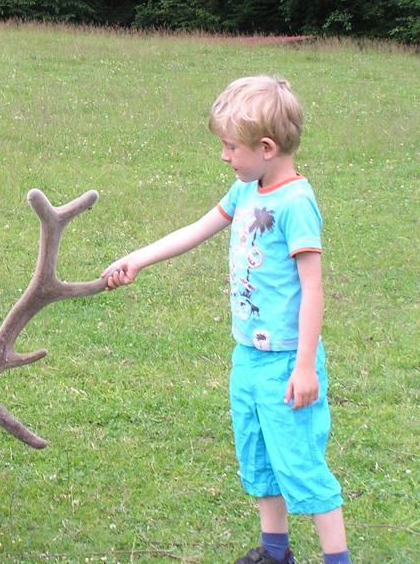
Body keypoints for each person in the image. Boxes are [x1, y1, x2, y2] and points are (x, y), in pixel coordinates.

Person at [101, 75, 351, 564]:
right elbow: (198, 229)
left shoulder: (296, 204)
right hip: (249, 357)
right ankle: (274, 552)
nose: (224, 155)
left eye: (229, 146)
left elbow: (313, 289)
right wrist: (138, 258)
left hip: (285, 363)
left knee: (300, 465)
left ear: (266, 146)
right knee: (258, 459)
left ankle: (336, 559)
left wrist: (305, 367)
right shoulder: (246, 190)